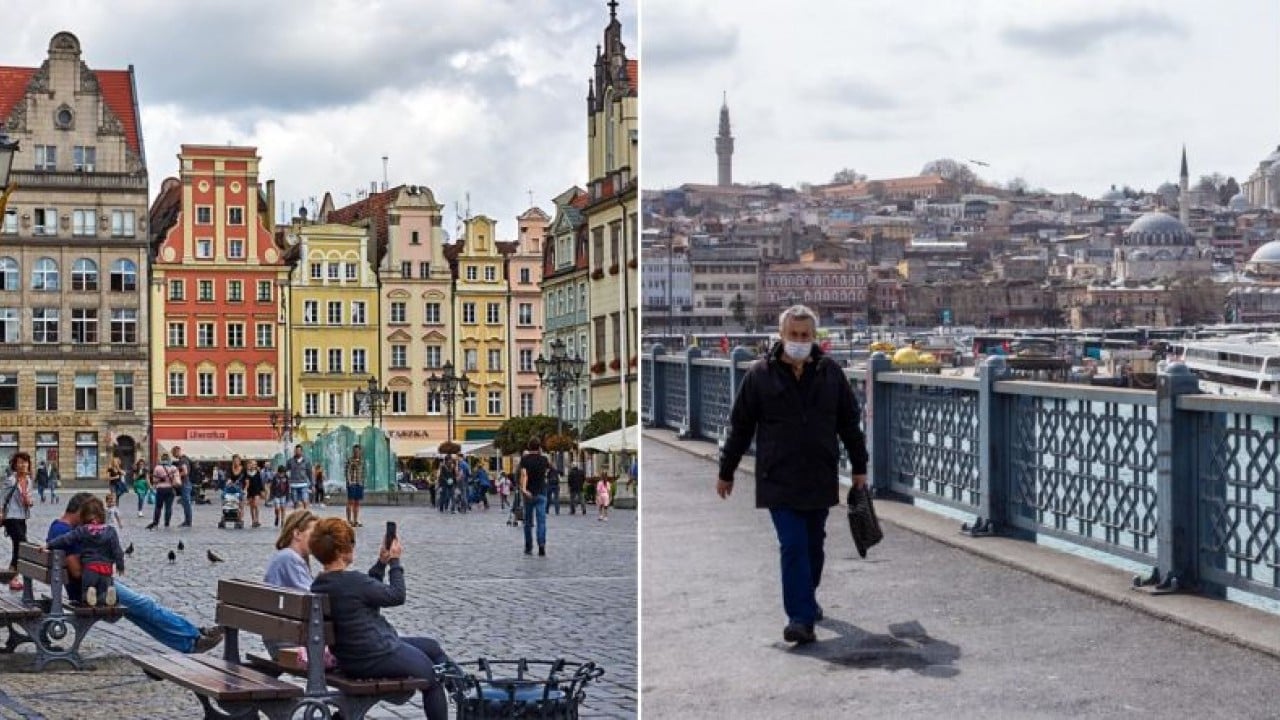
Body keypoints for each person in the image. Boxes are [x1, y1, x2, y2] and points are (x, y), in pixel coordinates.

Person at [718, 304, 868, 645]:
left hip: (818, 473)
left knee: (815, 546)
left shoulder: (831, 373)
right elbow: (740, 428)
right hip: (778, 476)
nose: (799, 340)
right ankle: (799, 618)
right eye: (793, 335)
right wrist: (726, 471)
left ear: (814, 337)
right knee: (794, 545)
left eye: (805, 335)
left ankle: (807, 598)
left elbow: (849, 423)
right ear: (781, 336)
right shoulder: (759, 375)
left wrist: (860, 467)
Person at [309, 517, 451, 720]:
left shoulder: (321, 584)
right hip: (376, 655)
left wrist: (381, 563)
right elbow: (396, 595)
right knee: (433, 677)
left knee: (432, 647)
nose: (353, 548)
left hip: (353, 656)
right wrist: (394, 561)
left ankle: (463, 690)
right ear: (341, 551)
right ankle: (466, 697)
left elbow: (366, 595)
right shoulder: (353, 582)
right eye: (351, 544)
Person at [46, 492, 224, 652]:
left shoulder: (60, 527)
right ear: (79, 511)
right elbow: (76, 572)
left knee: (140, 614)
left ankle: (190, 642)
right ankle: (194, 634)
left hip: (94, 585)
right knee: (146, 605)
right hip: (93, 589)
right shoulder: (65, 531)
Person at [262, 509, 319, 659]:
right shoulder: (290, 559)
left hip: (281, 632)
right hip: (285, 639)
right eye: (313, 534)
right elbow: (313, 600)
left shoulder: (287, 557)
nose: (317, 540)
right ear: (297, 534)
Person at [46, 495, 124, 607]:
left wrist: (48, 545)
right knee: (143, 604)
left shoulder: (63, 527)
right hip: (104, 575)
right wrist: (120, 565)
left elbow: (64, 540)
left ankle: (100, 594)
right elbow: (77, 572)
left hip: (91, 572)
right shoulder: (109, 531)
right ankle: (107, 594)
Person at [2, 452, 35, 591]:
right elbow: (2, 498)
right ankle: (12, 577)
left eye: (25, 462)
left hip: (22, 517)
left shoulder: (29, 481)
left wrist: (29, 502)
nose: (23, 465)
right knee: (22, 544)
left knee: (18, 548)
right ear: (15, 465)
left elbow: (30, 500)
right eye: (20, 462)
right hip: (11, 517)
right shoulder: (10, 480)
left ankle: (12, 577)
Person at [518, 438, 552, 557]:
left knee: (528, 522)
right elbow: (548, 471)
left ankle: (528, 546)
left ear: (529, 447)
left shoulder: (525, 460)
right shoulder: (544, 459)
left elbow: (524, 474)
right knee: (541, 521)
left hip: (529, 493)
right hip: (541, 492)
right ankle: (541, 545)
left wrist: (523, 489)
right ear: (539, 447)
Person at [147, 453, 180, 530]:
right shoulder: (174, 468)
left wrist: (160, 480)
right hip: (170, 489)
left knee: (158, 507)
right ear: (169, 459)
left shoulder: (157, 468)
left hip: (160, 489)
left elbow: (154, 480)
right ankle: (167, 523)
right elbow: (177, 479)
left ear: (161, 459)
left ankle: (156, 522)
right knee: (168, 507)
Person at [172, 445, 194, 527]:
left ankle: (188, 522)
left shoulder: (182, 460)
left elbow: (185, 472)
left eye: (173, 453)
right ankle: (187, 521)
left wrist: (177, 475)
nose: (173, 455)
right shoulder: (185, 459)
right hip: (187, 483)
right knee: (185, 502)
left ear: (176, 452)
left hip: (185, 483)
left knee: (186, 503)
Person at [345, 445, 365, 527]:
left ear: (360, 452)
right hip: (352, 483)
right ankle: (349, 521)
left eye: (358, 451)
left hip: (359, 483)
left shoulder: (362, 461)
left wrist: (362, 481)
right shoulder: (350, 460)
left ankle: (355, 520)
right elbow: (347, 471)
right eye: (355, 451)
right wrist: (349, 482)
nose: (356, 452)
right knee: (350, 502)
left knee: (357, 503)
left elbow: (363, 472)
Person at [245, 458, 265, 528]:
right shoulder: (246, 473)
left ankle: (257, 520)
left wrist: (262, 490)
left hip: (257, 490)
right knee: (251, 506)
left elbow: (260, 482)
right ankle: (253, 520)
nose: (254, 465)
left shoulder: (258, 472)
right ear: (249, 464)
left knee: (256, 505)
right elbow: (245, 482)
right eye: (252, 464)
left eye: (255, 464)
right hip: (250, 491)